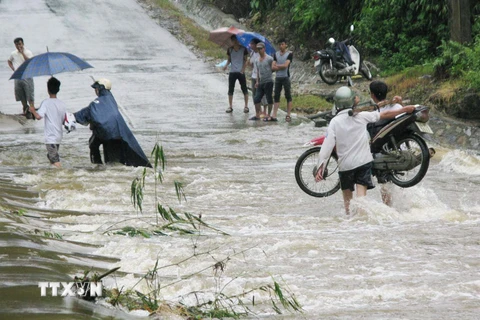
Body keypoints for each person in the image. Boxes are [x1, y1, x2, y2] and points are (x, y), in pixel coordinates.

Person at [315, 86, 416, 215]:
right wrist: (404, 109)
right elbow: (384, 114)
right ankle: (362, 223)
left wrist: (320, 167)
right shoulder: (362, 116)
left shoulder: (334, 122)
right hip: (363, 163)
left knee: (348, 203)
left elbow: (327, 146)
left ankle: (350, 221)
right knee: (361, 199)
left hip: (345, 166)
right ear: (352, 101)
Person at [74, 78, 151, 168]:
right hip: (117, 132)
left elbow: (86, 113)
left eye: (96, 88)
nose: (95, 90)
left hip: (106, 133)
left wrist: (70, 116)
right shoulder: (110, 99)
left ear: (99, 89)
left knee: (95, 145)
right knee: (113, 161)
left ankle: (98, 166)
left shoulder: (97, 103)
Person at [28, 77, 66, 168]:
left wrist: (32, 110)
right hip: (58, 136)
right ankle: (53, 176)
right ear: (58, 89)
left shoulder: (46, 102)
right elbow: (64, 120)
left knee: (54, 159)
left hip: (50, 137)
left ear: (48, 90)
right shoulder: (62, 103)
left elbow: (38, 117)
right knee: (51, 157)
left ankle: (62, 174)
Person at [7, 37, 35, 119]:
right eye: (16, 44)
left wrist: (22, 53)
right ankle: (25, 110)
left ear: (22, 44)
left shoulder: (28, 52)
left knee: (29, 95)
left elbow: (29, 62)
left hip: (27, 76)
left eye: (19, 44)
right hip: (18, 76)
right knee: (21, 95)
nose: (18, 46)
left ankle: (32, 111)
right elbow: (9, 61)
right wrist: (13, 69)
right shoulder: (13, 53)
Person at [224, 35, 249, 114]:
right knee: (231, 89)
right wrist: (226, 66)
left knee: (244, 89)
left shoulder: (243, 49)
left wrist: (243, 69)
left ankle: (246, 106)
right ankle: (230, 106)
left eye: (236, 40)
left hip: (240, 72)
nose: (235, 41)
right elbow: (229, 60)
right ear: (231, 41)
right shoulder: (230, 50)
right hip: (232, 71)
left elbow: (245, 60)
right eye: (233, 40)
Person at [270, 38, 293, 122]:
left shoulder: (289, 54)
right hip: (278, 77)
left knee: (288, 95)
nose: (281, 46)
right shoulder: (276, 54)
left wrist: (277, 66)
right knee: (276, 95)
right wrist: (280, 66)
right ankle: (274, 114)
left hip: (285, 76)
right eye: (280, 44)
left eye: (282, 44)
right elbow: (272, 66)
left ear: (286, 45)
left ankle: (288, 114)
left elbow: (286, 65)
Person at [251, 42, 274, 121]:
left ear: (264, 49)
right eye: (258, 49)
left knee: (269, 98)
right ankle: (258, 114)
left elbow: (273, 69)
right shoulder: (257, 60)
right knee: (256, 98)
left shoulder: (269, 58)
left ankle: (269, 115)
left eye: (261, 48)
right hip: (261, 81)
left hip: (268, 81)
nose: (259, 50)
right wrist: (257, 81)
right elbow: (257, 71)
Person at [247, 38, 268, 117]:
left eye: (252, 44)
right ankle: (258, 111)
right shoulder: (252, 53)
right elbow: (252, 65)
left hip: (261, 77)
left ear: (256, 45)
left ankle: (264, 111)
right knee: (254, 95)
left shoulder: (261, 54)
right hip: (253, 76)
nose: (251, 45)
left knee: (262, 94)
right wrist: (249, 63)